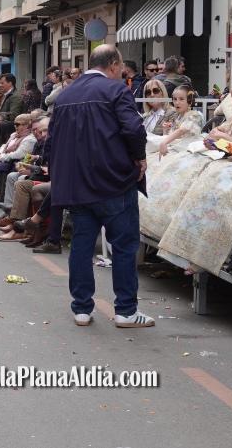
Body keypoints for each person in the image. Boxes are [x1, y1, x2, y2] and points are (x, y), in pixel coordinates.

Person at [47, 45, 153, 328]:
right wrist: (140, 158)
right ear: (114, 65)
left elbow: (53, 139)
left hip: (78, 185)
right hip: (113, 182)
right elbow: (133, 128)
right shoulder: (116, 91)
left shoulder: (66, 95)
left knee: (81, 246)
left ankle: (82, 309)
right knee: (124, 246)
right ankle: (126, 311)